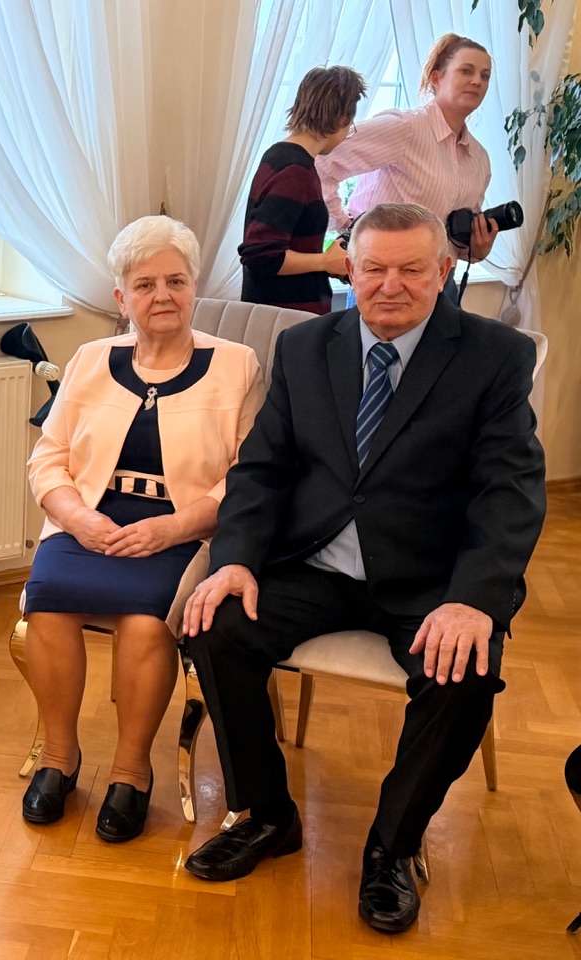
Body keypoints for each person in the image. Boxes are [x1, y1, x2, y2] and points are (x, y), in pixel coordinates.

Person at [180, 203, 546, 933]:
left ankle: (392, 845)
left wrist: (474, 599)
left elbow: (509, 491)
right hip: (314, 565)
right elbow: (262, 469)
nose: (390, 285)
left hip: (429, 582)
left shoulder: (494, 357)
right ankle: (268, 814)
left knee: (465, 675)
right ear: (350, 268)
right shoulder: (305, 346)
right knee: (215, 627)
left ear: (443, 270)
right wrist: (236, 560)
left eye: (412, 269)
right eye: (374, 268)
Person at [20, 215, 264, 843]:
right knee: (47, 604)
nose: (162, 296)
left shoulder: (236, 365)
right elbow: (49, 458)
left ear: (195, 286)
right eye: (145, 284)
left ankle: (132, 771)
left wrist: (173, 528)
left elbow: (247, 477)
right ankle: (58, 757)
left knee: (146, 620)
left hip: (184, 528)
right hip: (90, 521)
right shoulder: (90, 360)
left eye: (176, 281)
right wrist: (78, 518)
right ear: (121, 297)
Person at [317, 34, 499, 302]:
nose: (477, 81)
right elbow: (323, 160)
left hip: (442, 287)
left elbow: (456, 240)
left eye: (485, 76)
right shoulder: (404, 129)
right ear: (436, 78)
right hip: (384, 283)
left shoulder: (479, 159)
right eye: (466, 71)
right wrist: (348, 226)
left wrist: (477, 248)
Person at [240, 65, 366, 314]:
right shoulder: (296, 172)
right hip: (285, 317)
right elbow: (260, 255)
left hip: (275, 313)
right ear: (342, 119)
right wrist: (324, 261)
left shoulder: (277, 155)